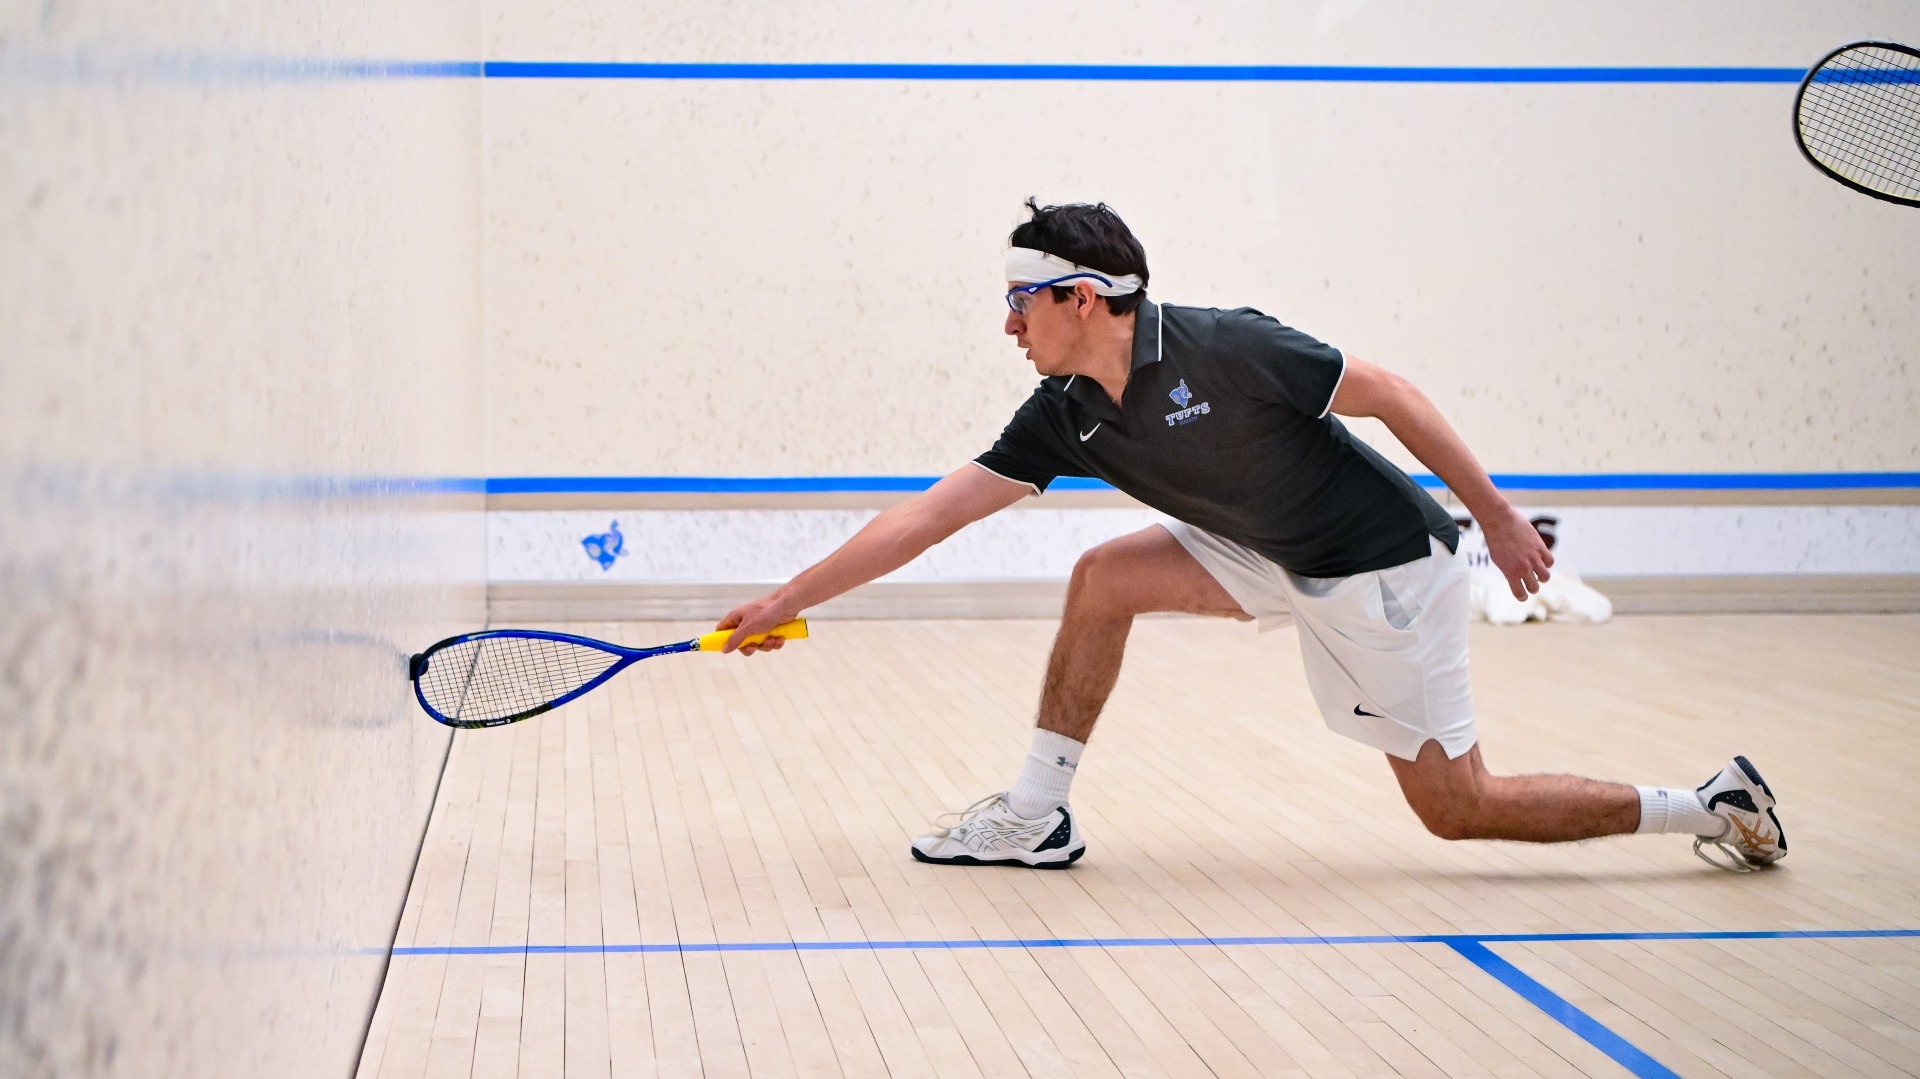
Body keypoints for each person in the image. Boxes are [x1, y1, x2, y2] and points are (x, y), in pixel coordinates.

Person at [716, 199, 1785, 874]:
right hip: (1266, 550)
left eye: (1021, 303)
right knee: (1103, 577)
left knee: (1460, 811)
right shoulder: (1065, 411)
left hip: (1383, 575)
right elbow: (927, 514)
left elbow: (1393, 394)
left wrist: (1497, 516)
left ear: (1082, 298)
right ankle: (1038, 811)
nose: (1008, 325)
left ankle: (1708, 803)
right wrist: (787, 599)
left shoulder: (1228, 347)